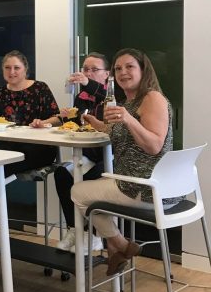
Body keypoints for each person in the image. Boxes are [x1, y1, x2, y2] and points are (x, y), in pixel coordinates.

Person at [71, 48, 173, 276]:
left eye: (129, 67)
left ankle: (122, 245)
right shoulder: (130, 102)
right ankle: (116, 249)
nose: (123, 72)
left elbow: (154, 145)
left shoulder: (152, 98)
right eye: (118, 68)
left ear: (143, 70)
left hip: (145, 188)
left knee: (78, 193)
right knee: (93, 198)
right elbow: (120, 133)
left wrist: (127, 119)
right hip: (138, 183)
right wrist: (97, 123)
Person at [0, 50, 60, 229]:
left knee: (2, 163)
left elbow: (57, 118)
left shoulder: (40, 88)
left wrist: (43, 123)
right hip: (10, 148)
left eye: (17, 67)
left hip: (40, 149)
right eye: (7, 68)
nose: (12, 72)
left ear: (25, 69)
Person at [54, 52, 110, 254]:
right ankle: (75, 229)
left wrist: (87, 83)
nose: (88, 73)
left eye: (94, 69)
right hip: (89, 154)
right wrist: (66, 118)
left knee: (91, 179)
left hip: (112, 156)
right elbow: (78, 123)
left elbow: (105, 97)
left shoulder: (114, 94)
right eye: (85, 69)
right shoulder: (82, 97)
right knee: (62, 174)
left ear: (107, 74)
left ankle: (95, 235)